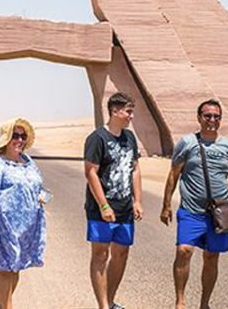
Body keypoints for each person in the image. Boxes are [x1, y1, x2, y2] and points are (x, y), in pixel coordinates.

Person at [160, 99, 228, 309]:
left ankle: (204, 304)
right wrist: (166, 205)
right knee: (184, 251)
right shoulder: (187, 143)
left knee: (212, 257)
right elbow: (174, 175)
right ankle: (180, 301)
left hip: (219, 212)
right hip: (192, 210)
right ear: (199, 118)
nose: (212, 120)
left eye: (216, 117)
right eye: (207, 116)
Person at [0, 118, 47, 309]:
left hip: (27, 227)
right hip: (4, 225)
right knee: (5, 266)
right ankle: (6, 306)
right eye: (15, 136)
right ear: (6, 139)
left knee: (16, 265)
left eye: (23, 136)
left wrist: (42, 197)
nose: (19, 140)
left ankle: (1, 305)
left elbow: (37, 186)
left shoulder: (28, 162)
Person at [84, 92, 143, 309]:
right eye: (128, 111)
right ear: (115, 111)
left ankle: (109, 300)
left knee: (121, 253)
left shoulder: (130, 138)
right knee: (101, 254)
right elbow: (91, 172)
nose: (131, 116)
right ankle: (102, 306)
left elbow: (135, 169)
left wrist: (138, 200)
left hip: (125, 207)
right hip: (101, 208)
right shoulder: (97, 138)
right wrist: (103, 205)